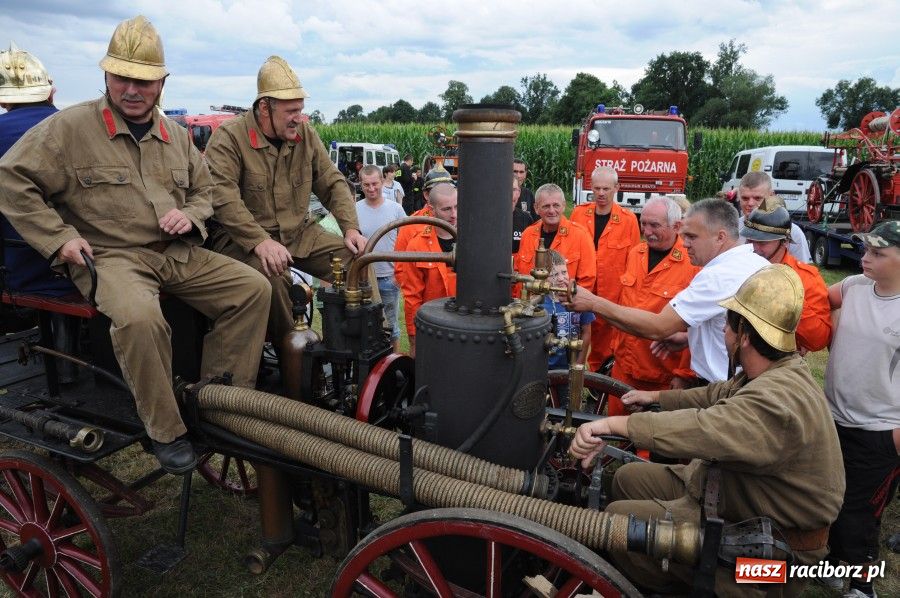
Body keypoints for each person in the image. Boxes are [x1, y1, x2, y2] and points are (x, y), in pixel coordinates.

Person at [0, 16, 271, 474]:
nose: (132, 89)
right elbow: (11, 179)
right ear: (105, 76)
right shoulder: (70, 128)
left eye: (144, 80)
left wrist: (191, 214)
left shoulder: (176, 135)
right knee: (140, 318)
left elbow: (205, 192)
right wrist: (60, 239)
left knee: (253, 289)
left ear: (162, 82)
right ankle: (166, 430)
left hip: (175, 251)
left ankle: (217, 397)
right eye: (123, 77)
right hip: (112, 258)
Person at [570, 265, 845, 597]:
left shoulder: (775, 402)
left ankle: (667, 586)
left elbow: (706, 428)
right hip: (748, 499)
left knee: (616, 524)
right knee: (627, 478)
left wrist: (611, 425)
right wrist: (656, 397)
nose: (723, 333)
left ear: (742, 334)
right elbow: (715, 395)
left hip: (773, 553)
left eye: (726, 324)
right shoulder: (776, 371)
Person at [205, 55, 369, 352]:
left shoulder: (305, 135)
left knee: (358, 259)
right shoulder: (229, 138)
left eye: (300, 110)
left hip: (298, 233)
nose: (298, 117)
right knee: (276, 280)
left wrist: (351, 229)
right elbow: (223, 197)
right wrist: (259, 242)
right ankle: (293, 365)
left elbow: (332, 182)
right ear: (264, 107)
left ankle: (362, 350)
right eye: (291, 110)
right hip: (241, 242)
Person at [567, 198, 769, 384]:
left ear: (720, 237)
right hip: (629, 364)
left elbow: (658, 327)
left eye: (691, 237)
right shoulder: (755, 262)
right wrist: (688, 338)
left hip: (719, 386)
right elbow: (723, 327)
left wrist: (593, 303)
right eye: (643, 224)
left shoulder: (717, 276)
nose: (686, 243)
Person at [823, 220, 900, 598]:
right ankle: (837, 566)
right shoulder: (854, 287)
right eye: (865, 250)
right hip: (833, 419)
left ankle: (860, 585)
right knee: (831, 498)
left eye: (878, 253)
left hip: (879, 431)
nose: (865, 258)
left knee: (859, 513)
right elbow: (823, 300)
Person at [608, 196, 699, 415]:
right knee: (615, 433)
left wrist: (683, 374)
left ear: (677, 226)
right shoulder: (635, 254)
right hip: (624, 366)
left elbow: (696, 324)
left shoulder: (692, 264)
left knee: (648, 443)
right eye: (644, 224)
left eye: (655, 225)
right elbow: (624, 303)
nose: (647, 231)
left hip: (660, 375)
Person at [0, 42, 75, 297]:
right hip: (88, 263)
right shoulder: (81, 128)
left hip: (20, 268)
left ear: (2, 100)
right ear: (51, 93)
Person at [570, 166, 640, 371]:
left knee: (604, 343)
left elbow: (634, 261)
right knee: (573, 335)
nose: (601, 193)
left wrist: (628, 297)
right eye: (597, 188)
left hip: (610, 293)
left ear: (616, 188)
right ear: (591, 186)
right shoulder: (578, 214)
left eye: (606, 189)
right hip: (581, 288)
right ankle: (570, 377)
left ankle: (597, 383)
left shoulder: (628, 220)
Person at [741, 197, 831, 354]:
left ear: (784, 242)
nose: (754, 248)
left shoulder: (805, 278)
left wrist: (791, 297)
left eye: (762, 243)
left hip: (776, 366)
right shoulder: (739, 266)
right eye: (750, 240)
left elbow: (818, 340)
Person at [395, 182, 457, 358]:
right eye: (446, 209)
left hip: (468, 324)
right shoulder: (417, 246)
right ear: (431, 209)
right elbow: (412, 297)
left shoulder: (474, 239)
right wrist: (414, 340)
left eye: (457, 207)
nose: (453, 215)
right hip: (433, 328)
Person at [356, 166, 406, 352]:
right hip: (364, 280)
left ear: (382, 183)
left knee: (391, 326)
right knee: (364, 326)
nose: (371, 188)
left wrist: (398, 273)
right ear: (361, 185)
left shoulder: (395, 209)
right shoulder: (354, 210)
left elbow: (407, 241)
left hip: (388, 277)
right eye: (366, 184)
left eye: (375, 183)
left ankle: (394, 364)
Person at [515, 184, 596, 291]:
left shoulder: (581, 236)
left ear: (564, 206)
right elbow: (519, 275)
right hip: (530, 304)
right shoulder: (528, 234)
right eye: (546, 206)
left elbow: (587, 280)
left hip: (564, 305)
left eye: (556, 205)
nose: (552, 211)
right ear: (536, 208)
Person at [544, 250, 593, 406]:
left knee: (568, 404)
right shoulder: (539, 304)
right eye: (554, 274)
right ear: (544, 277)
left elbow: (586, 332)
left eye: (564, 272)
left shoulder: (579, 300)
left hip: (569, 366)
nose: (561, 278)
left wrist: (579, 364)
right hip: (545, 369)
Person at [737, 171, 811, 263]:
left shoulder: (793, 232)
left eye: (758, 198)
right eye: (745, 198)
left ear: (771, 196)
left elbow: (801, 271)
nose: (750, 203)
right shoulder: (732, 229)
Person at [511, 175, 533, 253]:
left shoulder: (526, 218)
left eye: (513, 189)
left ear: (519, 193)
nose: (509, 194)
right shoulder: (489, 218)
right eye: (505, 188)